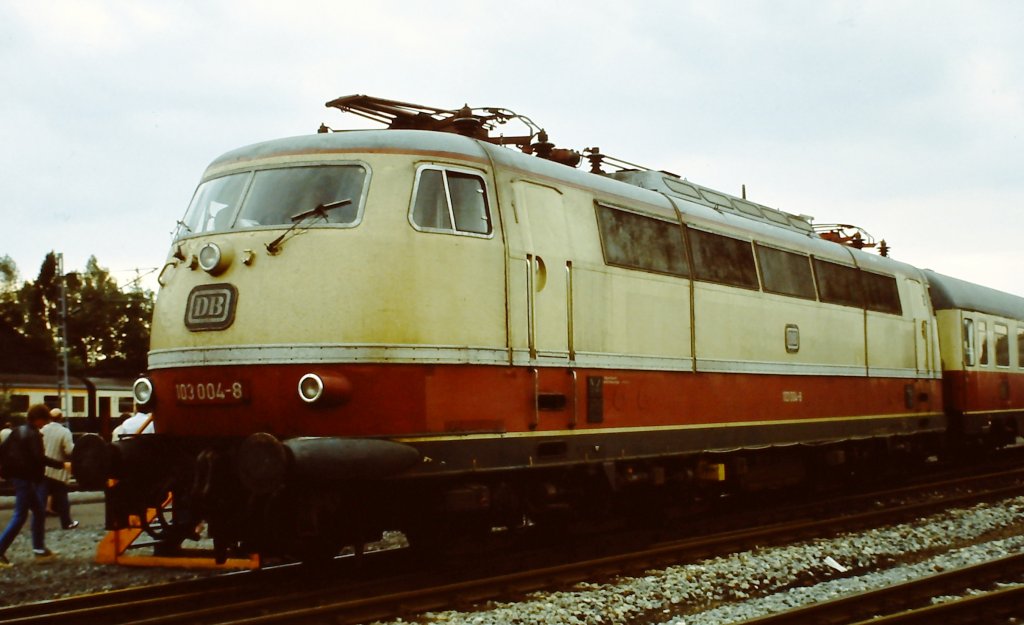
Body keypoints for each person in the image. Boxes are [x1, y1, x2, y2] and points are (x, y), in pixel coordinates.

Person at [0, 404, 66, 566]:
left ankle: (39, 549)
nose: (44, 424)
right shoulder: (34, 434)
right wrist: (62, 465)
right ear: (38, 420)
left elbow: (3, 450)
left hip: (18, 477)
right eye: (44, 421)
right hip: (25, 479)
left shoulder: (17, 431)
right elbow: (40, 458)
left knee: (38, 511)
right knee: (20, 515)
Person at [41, 408, 78, 530]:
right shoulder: (64, 432)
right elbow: (69, 450)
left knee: (41, 496)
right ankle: (66, 523)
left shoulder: (42, 430)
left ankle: (38, 525)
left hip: (43, 469)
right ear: (61, 417)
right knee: (62, 498)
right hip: (58, 471)